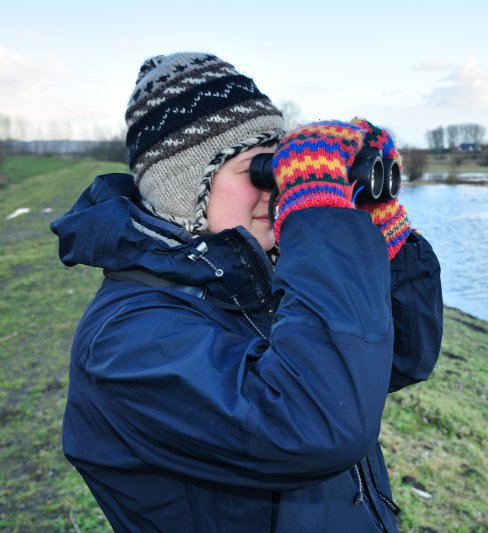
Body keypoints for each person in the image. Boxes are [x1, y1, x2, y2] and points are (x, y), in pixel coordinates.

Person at [51, 52, 443, 532]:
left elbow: (402, 359)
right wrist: (320, 220)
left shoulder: (243, 283)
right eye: (259, 170)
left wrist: (375, 226)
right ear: (185, 191)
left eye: (282, 167)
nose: (277, 189)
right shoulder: (126, 340)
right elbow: (315, 427)